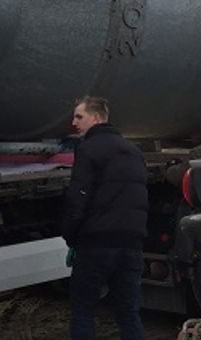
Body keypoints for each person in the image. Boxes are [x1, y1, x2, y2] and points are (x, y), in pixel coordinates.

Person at [63, 96, 147, 340]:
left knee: (83, 310)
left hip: (96, 243)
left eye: (79, 116)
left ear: (97, 118)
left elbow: (78, 197)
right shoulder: (134, 151)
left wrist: (70, 236)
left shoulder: (88, 149)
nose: (74, 123)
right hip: (132, 243)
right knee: (128, 312)